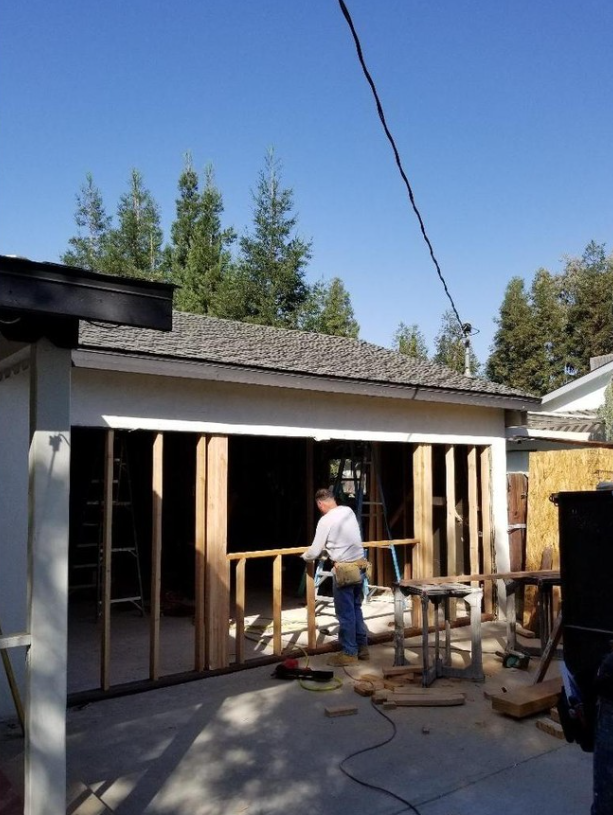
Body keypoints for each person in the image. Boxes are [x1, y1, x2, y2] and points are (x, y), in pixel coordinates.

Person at [301, 487, 369, 666]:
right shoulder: (348, 511)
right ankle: (362, 648)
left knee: (345, 614)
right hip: (360, 566)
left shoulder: (325, 521)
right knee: (356, 608)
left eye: (319, 507)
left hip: (344, 570)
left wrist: (304, 556)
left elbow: (315, 551)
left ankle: (349, 652)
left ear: (320, 504)